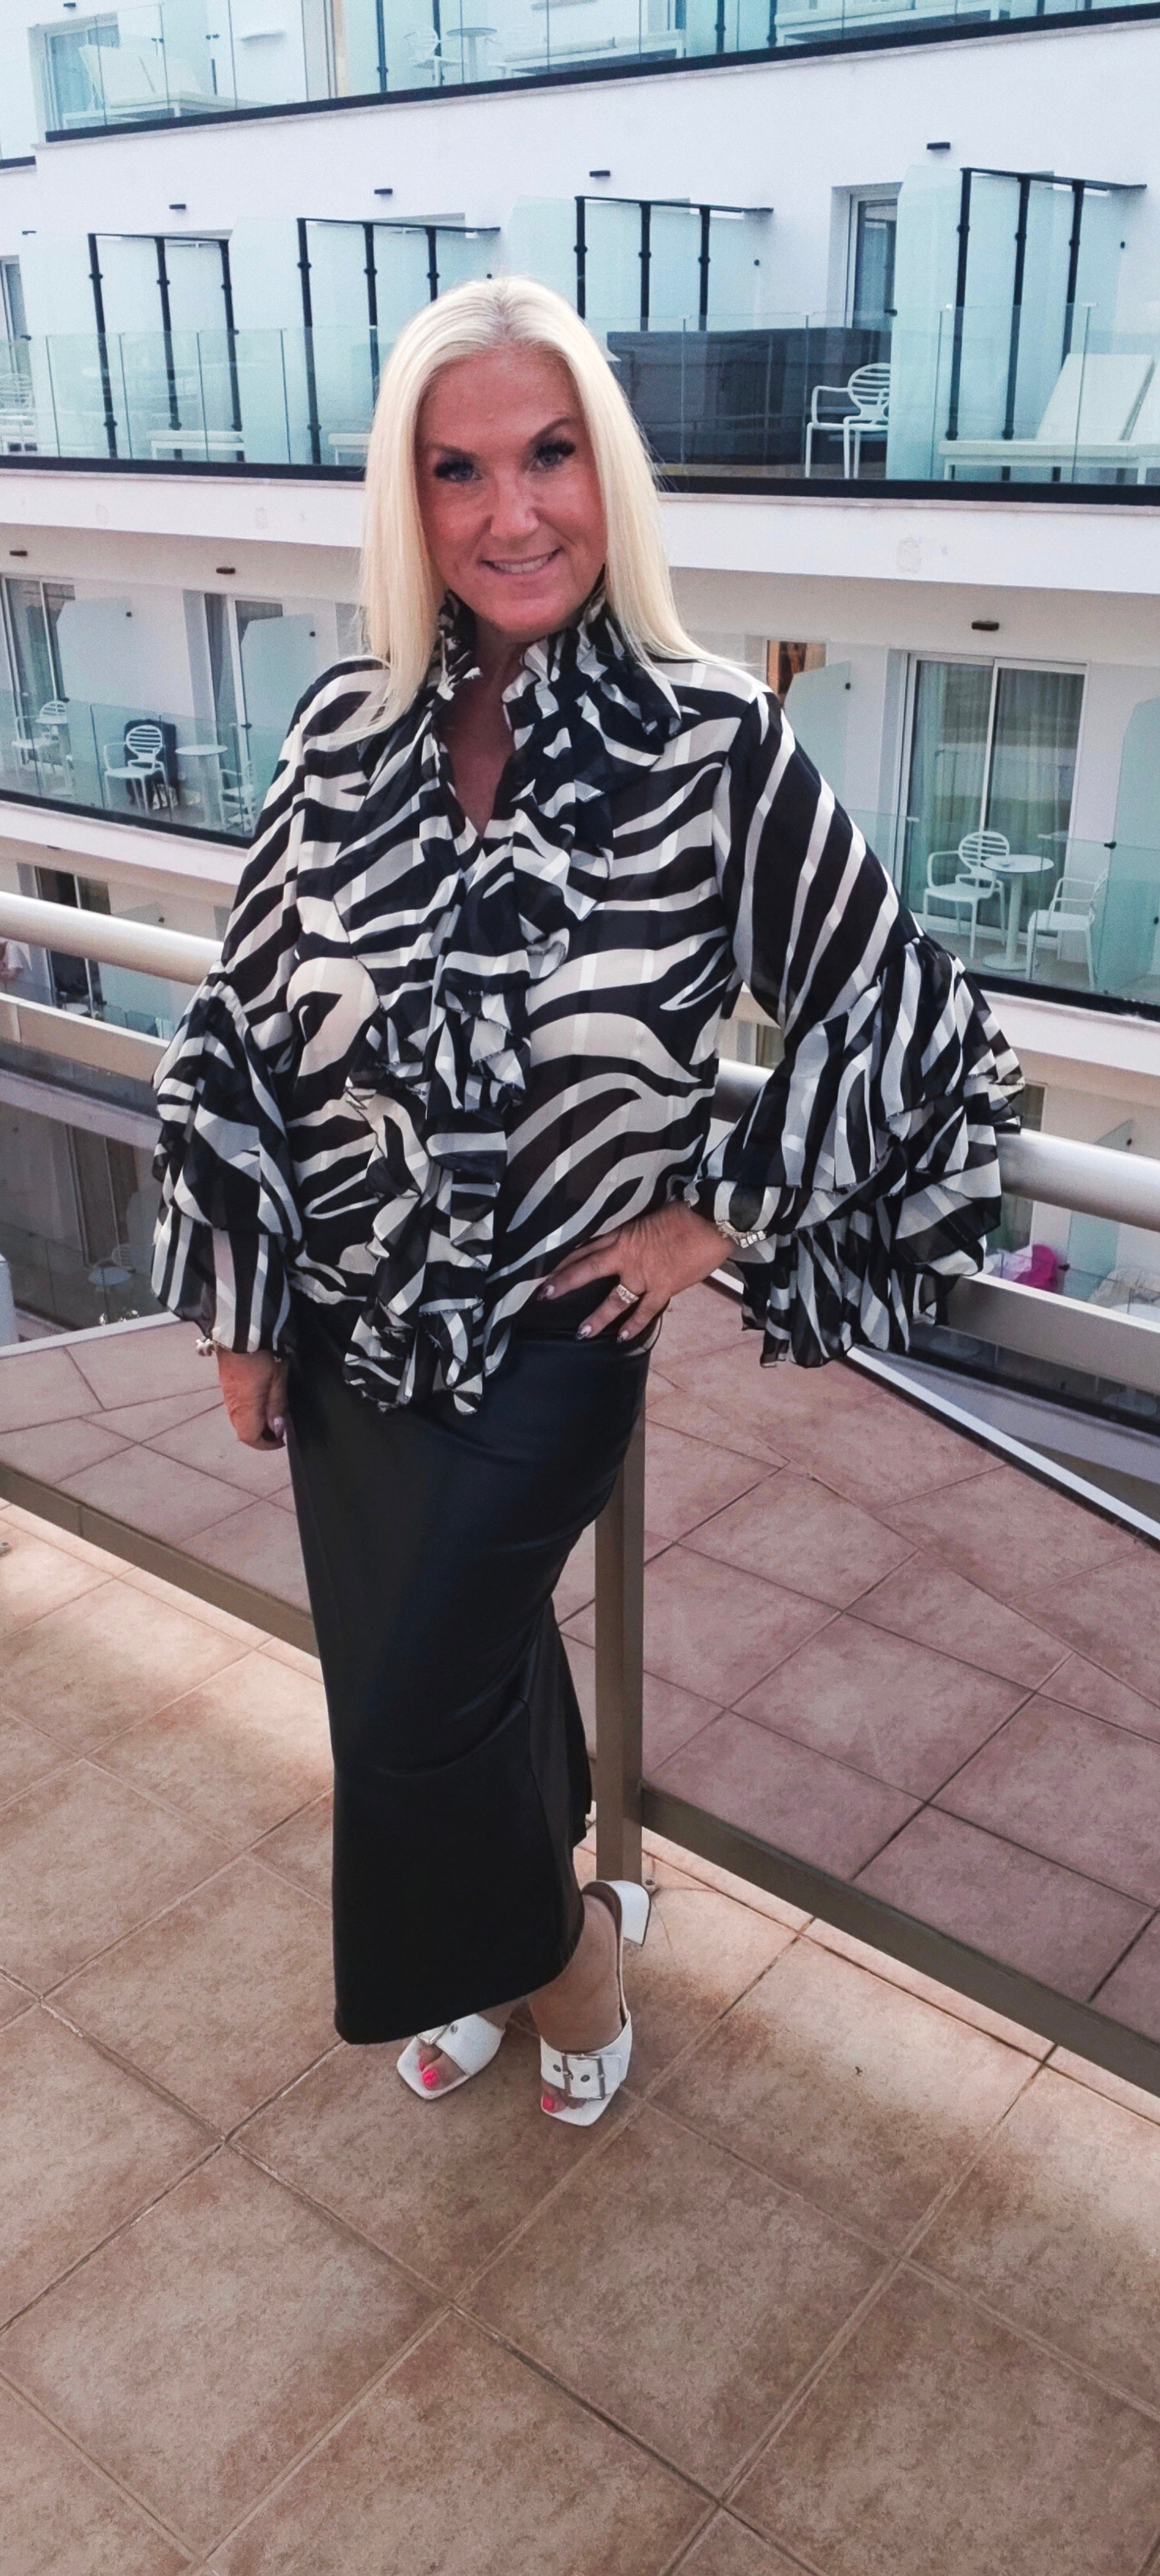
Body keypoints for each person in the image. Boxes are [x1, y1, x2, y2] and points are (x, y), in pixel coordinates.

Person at [152, 277, 1021, 2126]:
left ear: (607, 472)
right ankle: (527, 1927)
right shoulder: (340, 727)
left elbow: (908, 1015)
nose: (512, 512)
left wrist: (714, 1215)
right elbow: (238, 1020)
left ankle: (563, 1955)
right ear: (410, 501)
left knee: (411, 1710)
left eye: (548, 455)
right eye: (457, 470)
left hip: (559, 1328)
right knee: (433, 1671)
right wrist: (243, 1301)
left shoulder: (714, 744)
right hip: (346, 1317)